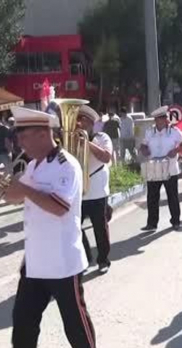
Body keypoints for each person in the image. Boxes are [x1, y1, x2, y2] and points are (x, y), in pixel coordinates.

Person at [0, 106, 100, 348]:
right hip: (36, 259)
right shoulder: (33, 165)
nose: (20, 142)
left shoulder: (67, 165)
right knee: (23, 320)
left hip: (62, 260)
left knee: (74, 323)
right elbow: (16, 197)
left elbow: (59, 207)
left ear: (44, 134)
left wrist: (24, 190)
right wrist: (3, 187)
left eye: (24, 136)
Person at [140, 106, 182, 231]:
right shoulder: (149, 132)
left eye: (165, 118)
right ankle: (151, 223)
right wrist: (145, 151)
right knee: (152, 197)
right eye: (161, 118)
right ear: (156, 120)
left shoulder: (174, 131)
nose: (165, 120)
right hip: (154, 168)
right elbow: (143, 145)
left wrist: (176, 150)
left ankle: (176, 221)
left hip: (170, 168)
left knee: (172, 196)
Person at [78, 105, 113, 275]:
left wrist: (87, 143)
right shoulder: (69, 139)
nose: (80, 124)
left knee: (100, 228)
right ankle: (85, 258)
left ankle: (103, 260)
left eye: (83, 121)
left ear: (92, 123)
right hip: (77, 192)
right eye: (78, 120)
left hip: (97, 192)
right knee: (74, 228)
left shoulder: (102, 137)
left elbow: (106, 157)